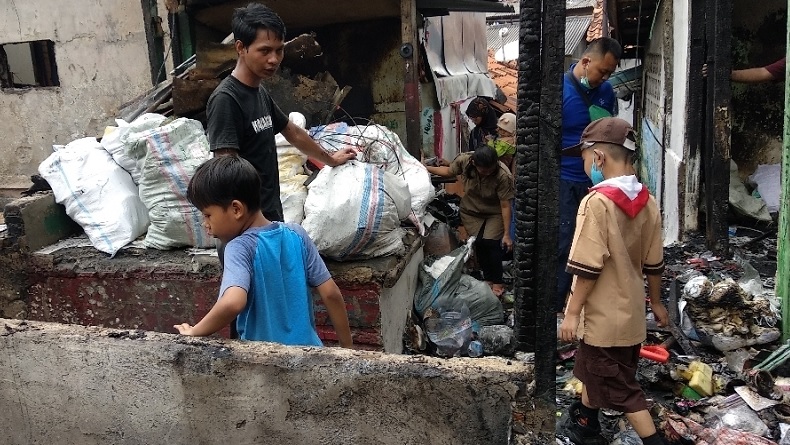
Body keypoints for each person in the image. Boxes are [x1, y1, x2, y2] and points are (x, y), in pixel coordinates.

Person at [557, 118, 669, 445]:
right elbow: (655, 262)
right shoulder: (647, 201)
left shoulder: (597, 203)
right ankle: (585, 423)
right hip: (631, 315)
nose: (584, 164)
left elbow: (587, 267)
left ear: (599, 158)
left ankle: (654, 441)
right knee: (595, 372)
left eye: (584, 157)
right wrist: (658, 303)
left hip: (602, 321)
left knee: (621, 389)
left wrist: (573, 313)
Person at [174, 156, 353, 348]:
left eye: (208, 215)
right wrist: (347, 349)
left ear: (236, 209)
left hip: (265, 366)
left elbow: (233, 302)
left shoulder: (238, 248)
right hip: (310, 355)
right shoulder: (297, 234)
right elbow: (331, 294)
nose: (205, 224)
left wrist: (195, 331)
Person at [206, 3, 356, 224]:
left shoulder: (259, 92)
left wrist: (330, 159)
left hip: (269, 215)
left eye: (279, 50)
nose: (274, 59)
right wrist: (253, 225)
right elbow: (225, 173)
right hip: (246, 228)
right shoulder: (226, 100)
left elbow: (292, 131)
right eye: (265, 50)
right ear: (240, 47)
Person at [557, 37, 622, 314]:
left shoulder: (607, 92)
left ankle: (586, 304)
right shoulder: (558, 90)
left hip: (597, 182)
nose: (605, 78)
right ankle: (559, 305)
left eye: (609, 73)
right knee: (565, 243)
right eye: (602, 71)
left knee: (597, 244)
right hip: (565, 179)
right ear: (586, 62)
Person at [425, 146, 515, 297]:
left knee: (491, 243)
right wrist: (425, 168)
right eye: (483, 170)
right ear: (474, 163)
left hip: (494, 212)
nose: (487, 173)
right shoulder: (465, 161)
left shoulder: (503, 175)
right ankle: (488, 279)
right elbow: (448, 172)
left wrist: (506, 234)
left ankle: (498, 282)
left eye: (490, 170)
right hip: (471, 210)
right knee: (478, 242)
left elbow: (505, 205)